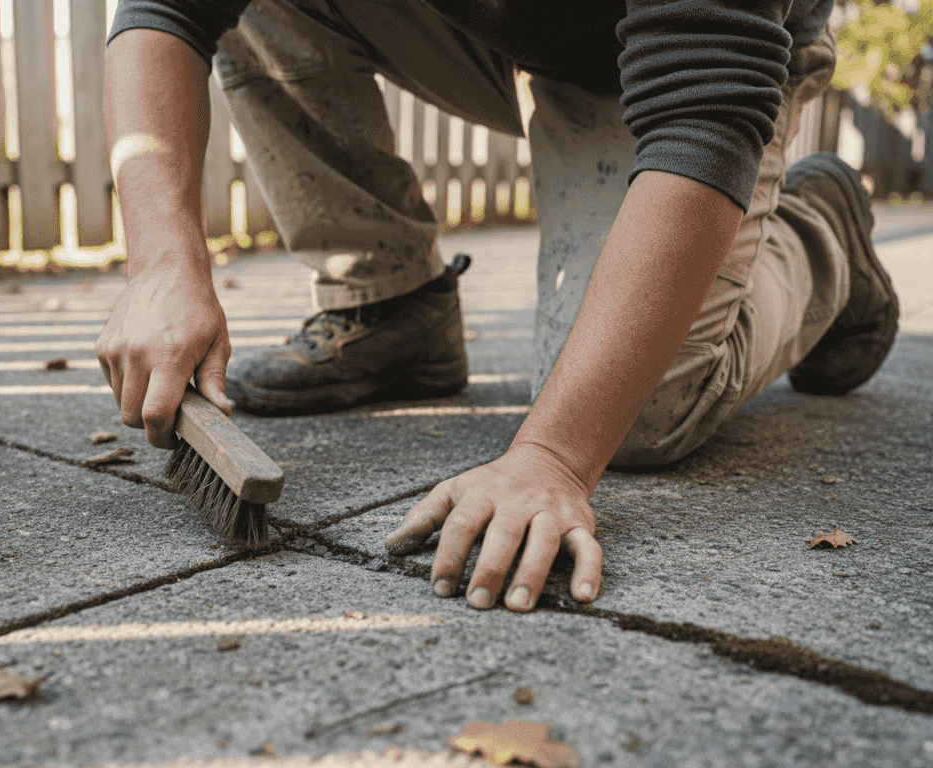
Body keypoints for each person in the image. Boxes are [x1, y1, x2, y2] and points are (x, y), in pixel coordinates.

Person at [94, 0, 900, 613]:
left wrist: (553, 456)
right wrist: (162, 262)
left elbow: (706, 109)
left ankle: (817, 229)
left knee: (644, 413)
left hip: (683, 67)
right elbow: (163, 10)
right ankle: (391, 303)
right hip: (485, 33)